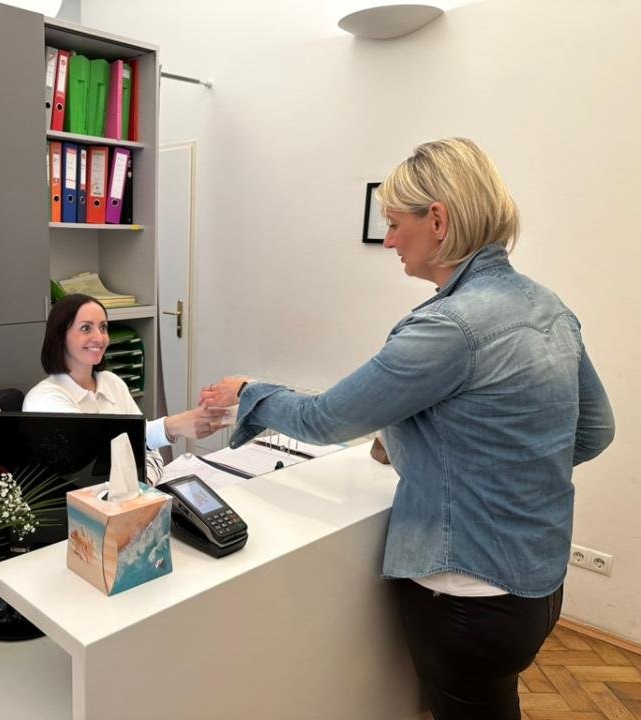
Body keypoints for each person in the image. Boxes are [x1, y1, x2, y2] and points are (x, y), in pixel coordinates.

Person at [199, 138, 615, 720]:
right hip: (539, 582)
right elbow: (594, 431)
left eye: (395, 224)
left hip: (467, 594)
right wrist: (502, 467)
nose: (390, 241)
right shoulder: (548, 307)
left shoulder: (448, 328)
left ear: (438, 221)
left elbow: (325, 419)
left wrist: (248, 391)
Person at [23, 294, 227, 450]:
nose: (99, 338)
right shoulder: (44, 399)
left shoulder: (112, 382)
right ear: (60, 336)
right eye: (86, 328)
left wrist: (145, 481)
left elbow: (150, 454)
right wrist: (172, 426)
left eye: (103, 327)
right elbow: (96, 454)